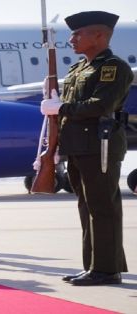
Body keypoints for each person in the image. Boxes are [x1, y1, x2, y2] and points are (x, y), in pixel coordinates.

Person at [40, 11, 132, 286]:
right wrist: (55, 144)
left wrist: (62, 107)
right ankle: (95, 265)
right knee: (87, 207)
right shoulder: (78, 69)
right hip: (79, 145)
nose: (72, 39)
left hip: (99, 144)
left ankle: (106, 269)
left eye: (78, 34)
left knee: (102, 207)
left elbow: (100, 106)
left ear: (100, 36)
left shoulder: (112, 67)